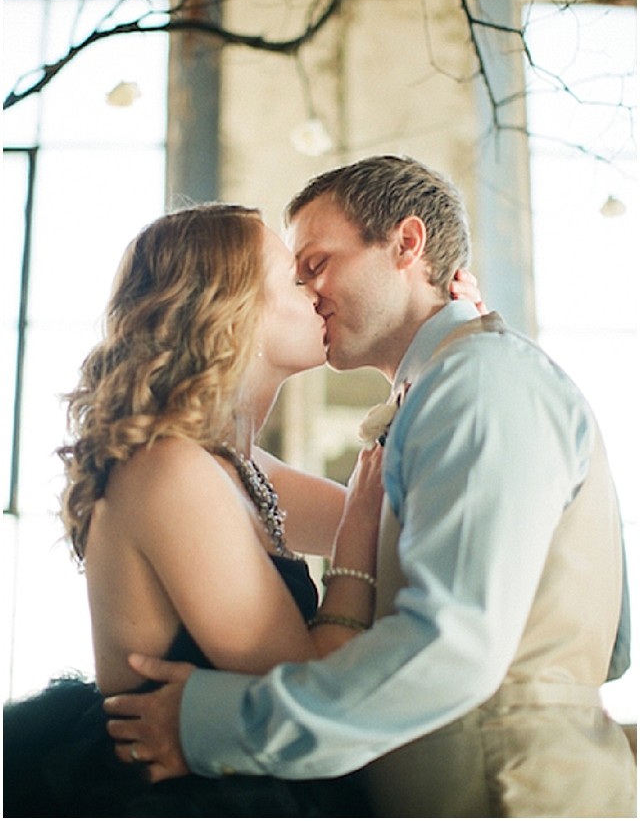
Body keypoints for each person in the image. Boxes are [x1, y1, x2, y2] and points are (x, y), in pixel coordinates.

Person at [106, 155, 635, 818]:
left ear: (407, 245)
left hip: (509, 794)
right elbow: (611, 641)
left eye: (317, 264)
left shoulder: (481, 383)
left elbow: (458, 644)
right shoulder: (452, 390)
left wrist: (213, 724)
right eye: (293, 276)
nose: (309, 290)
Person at [4, 202, 390, 817]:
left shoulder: (236, 464)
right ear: (228, 311)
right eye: (295, 279)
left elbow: (392, 522)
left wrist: (441, 337)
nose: (320, 291)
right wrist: (357, 539)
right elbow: (309, 689)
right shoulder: (171, 468)